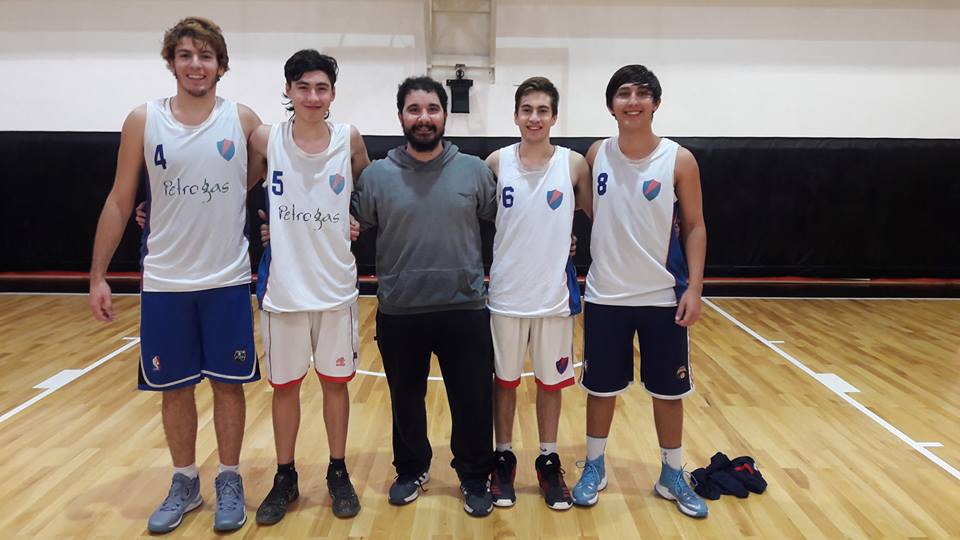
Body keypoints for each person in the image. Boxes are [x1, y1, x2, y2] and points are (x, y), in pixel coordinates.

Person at [88, 17, 261, 533]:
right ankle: (185, 481)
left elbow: (271, 173)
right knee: (175, 388)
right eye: (185, 55)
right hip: (165, 281)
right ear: (171, 62)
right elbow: (120, 200)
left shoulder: (243, 120)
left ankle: (229, 478)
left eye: (206, 56)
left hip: (227, 278)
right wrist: (98, 276)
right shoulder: (143, 120)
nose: (195, 65)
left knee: (229, 386)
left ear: (221, 65)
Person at [351, 76, 497, 517]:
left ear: (445, 115)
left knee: (473, 401)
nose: (424, 117)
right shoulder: (376, 176)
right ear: (400, 116)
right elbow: (348, 224)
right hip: (401, 311)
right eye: (414, 109)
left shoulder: (474, 171)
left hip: (465, 308)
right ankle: (411, 468)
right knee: (405, 401)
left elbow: (509, 221)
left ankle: (475, 475)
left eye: (432, 109)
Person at [571, 65, 709, 519]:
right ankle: (594, 466)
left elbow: (695, 226)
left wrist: (695, 287)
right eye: (624, 94)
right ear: (611, 105)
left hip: (662, 295)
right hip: (606, 294)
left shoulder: (679, 160)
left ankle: (671, 473)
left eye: (642, 94)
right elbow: (589, 208)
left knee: (668, 392)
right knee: (600, 388)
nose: (633, 101)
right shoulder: (597, 154)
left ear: (656, 103)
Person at [247, 49, 370, 523]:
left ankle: (338, 471)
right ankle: (285, 475)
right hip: (284, 290)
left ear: (333, 93)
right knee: (285, 389)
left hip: (335, 287)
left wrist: (355, 219)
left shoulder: (349, 138)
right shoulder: (266, 138)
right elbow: (236, 186)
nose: (313, 97)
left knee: (336, 386)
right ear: (288, 90)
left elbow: (366, 192)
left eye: (321, 88)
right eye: (303, 87)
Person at [483, 77, 591, 511]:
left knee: (551, 383)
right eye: (527, 109)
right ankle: (503, 457)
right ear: (515, 115)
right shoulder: (496, 162)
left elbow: (596, 213)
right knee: (504, 382)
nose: (534, 118)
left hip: (553, 297)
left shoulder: (574, 164)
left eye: (542, 110)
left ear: (554, 117)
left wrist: (569, 240)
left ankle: (548, 459)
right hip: (506, 295)